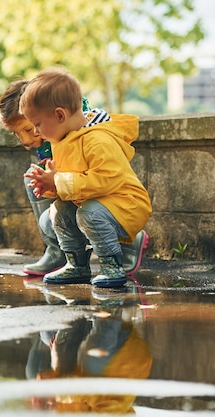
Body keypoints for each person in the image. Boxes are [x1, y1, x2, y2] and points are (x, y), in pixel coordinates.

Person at [20, 68, 152, 288]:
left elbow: (106, 179)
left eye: (38, 124)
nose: (35, 131)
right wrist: (49, 183)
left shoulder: (98, 139)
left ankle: (112, 266)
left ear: (60, 115)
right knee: (60, 210)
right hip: (97, 204)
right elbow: (72, 184)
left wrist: (59, 181)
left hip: (126, 206)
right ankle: (77, 265)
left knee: (89, 213)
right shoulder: (64, 140)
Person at [0, 80, 90, 276]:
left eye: (29, 129)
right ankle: (56, 249)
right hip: (72, 195)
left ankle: (124, 245)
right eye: (17, 134)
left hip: (94, 194)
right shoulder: (47, 135)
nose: (26, 140)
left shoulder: (78, 126)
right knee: (34, 178)